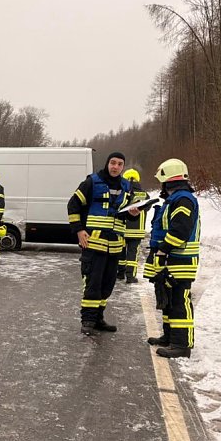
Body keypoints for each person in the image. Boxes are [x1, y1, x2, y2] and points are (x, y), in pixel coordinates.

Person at [67, 151, 138, 335]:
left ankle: (99, 318)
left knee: (107, 284)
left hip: (114, 246)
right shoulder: (92, 182)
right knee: (93, 283)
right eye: (112, 162)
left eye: (120, 164)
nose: (115, 167)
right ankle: (88, 321)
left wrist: (132, 214)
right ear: (107, 163)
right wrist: (79, 230)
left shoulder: (126, 186)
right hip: (94, 244)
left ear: (123, 167)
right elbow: (73, 205)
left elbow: (124, 214)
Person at [147, 158, 201, 359]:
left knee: (179, 300)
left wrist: (163, 250)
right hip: (173, 259)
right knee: (168, 300)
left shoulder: (183, 199)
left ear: (167, 179)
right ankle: (170, 337)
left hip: (181, 260)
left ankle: (181, 344)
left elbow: (180, 230)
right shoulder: (176, 199)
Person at [117, 168, 149, 283]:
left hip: (123, 228)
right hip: (137, 230)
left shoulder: (123, 192)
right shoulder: (145, 194)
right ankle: (130, 277)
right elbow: (147, 207)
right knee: (133, 254)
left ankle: (120, 273)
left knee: (120, 251)